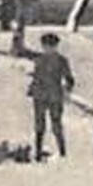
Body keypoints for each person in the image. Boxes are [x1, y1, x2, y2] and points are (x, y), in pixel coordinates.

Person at [27, 32, 75, 161]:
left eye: (51, 46)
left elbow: (69, 78)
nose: (48, 49)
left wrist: (67, 90)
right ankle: (38, 152)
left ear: (55, 46)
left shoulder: (61, 61)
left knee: (56, 124)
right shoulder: (39, 60)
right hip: (41, 96)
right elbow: (36, 76)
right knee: (39, 125)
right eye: (46, 46)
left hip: (53, 96)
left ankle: (62, 151)